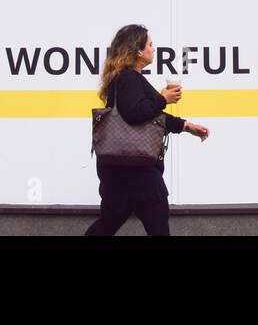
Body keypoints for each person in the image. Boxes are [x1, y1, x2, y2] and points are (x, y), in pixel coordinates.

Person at [84, 24, 209, 236]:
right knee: (156, 226)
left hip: (119, 171)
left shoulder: (127, 79)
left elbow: (151, 116)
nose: (154, 48)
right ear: (138, 51)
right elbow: (134, 113)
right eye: (150, 44)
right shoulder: (128, 78)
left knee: (108, 223)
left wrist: (186, 126)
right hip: (138, 173)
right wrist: (162, 99)